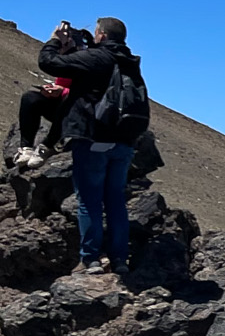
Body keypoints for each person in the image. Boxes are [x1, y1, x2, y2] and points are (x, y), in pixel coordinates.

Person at [37, 17, 145, 275]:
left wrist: (55, 40)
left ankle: (91, 259)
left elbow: (48, 63)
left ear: (103, 36)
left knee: (89, 200)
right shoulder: (130, 63)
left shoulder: (98, 58)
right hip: (125, 141)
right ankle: (120, 260)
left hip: (94, 138)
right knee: (116, 200)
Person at [13, 22, 80, 170]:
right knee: (30, 98)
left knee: (69, 99)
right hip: (62, 106)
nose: (60, 48)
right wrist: (52, 91)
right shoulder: (64, 60)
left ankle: (48, 145)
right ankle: (26, 148)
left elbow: (84, 92)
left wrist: (62, 91)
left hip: (80, 111)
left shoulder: (85, 60)